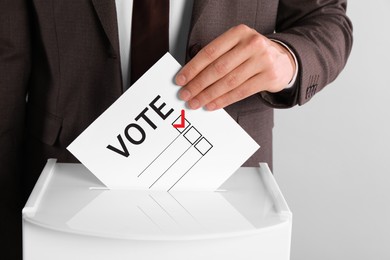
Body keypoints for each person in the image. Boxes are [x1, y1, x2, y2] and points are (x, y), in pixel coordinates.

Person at [0, 0, 353, 258]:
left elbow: (325, 18)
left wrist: (287, 57)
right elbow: (8, 59)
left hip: (229, 193)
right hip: (65, 189)